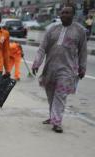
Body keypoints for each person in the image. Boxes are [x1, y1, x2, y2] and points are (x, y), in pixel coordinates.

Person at [32, 4, 87, 133]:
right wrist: (36, 63)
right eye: (62, 13)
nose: (64, 15)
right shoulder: (52, 29)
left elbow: (83, 51)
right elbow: (42, 48)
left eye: (67, 13)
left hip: (67, 70)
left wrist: (82, 67)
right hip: (50, 68)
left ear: (73, 15)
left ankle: (57, 122)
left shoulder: (79, 31)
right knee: (51, 95)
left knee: (60, 95)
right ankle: (53, 117)